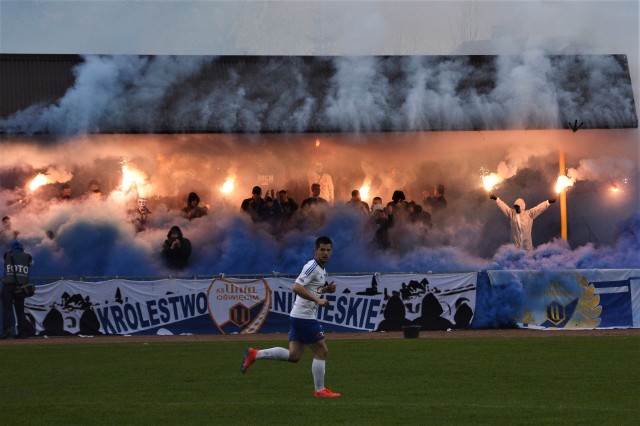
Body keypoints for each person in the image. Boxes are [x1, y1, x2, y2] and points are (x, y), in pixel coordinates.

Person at [240, 236, 341, 398]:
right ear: (315, 251)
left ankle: (255, 354)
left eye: (328, 250)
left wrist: (326, 290)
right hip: (304, 317)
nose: (326, 253)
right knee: (322, 351)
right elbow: (296, 287)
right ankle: (320, 390)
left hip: (298, 316)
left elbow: (311, 289)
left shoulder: (321, 270)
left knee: (294, 356)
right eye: (322, 250)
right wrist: (318, 300)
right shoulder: (312, 266)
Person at [489, 194, 556, 250]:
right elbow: (504, 206)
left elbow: (539, 208)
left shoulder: (529, 214)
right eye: (515, 207)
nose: (516, 208)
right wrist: (496, 199)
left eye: (517, 207)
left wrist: (548, 202)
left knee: (526, 263)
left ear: (522, 207)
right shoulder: (512, 214)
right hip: (515, 247)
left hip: (527, 247)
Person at [2, 239, 33, 339]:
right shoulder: (28, 257)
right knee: (20, 310)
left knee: (7, 308)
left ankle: (7, 330)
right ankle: (23, 333)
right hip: (21, 287)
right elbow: (31, 264)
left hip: (9, 286)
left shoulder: (7, 255)